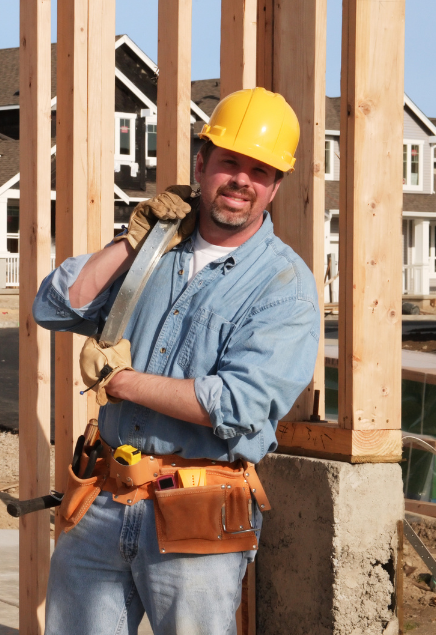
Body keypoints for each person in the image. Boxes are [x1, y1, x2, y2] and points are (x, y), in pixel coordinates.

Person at [34, 87, 320, 634]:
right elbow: (54, 305)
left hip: (199, 510)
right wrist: (136, 241)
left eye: (259, 171)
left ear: (275, 186)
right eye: (229, 162)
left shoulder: (284, 284)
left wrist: (122, 383)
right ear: (200, 163)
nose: (242, 180)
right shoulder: (158, 254)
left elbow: (238, 404)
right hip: (106, 497)